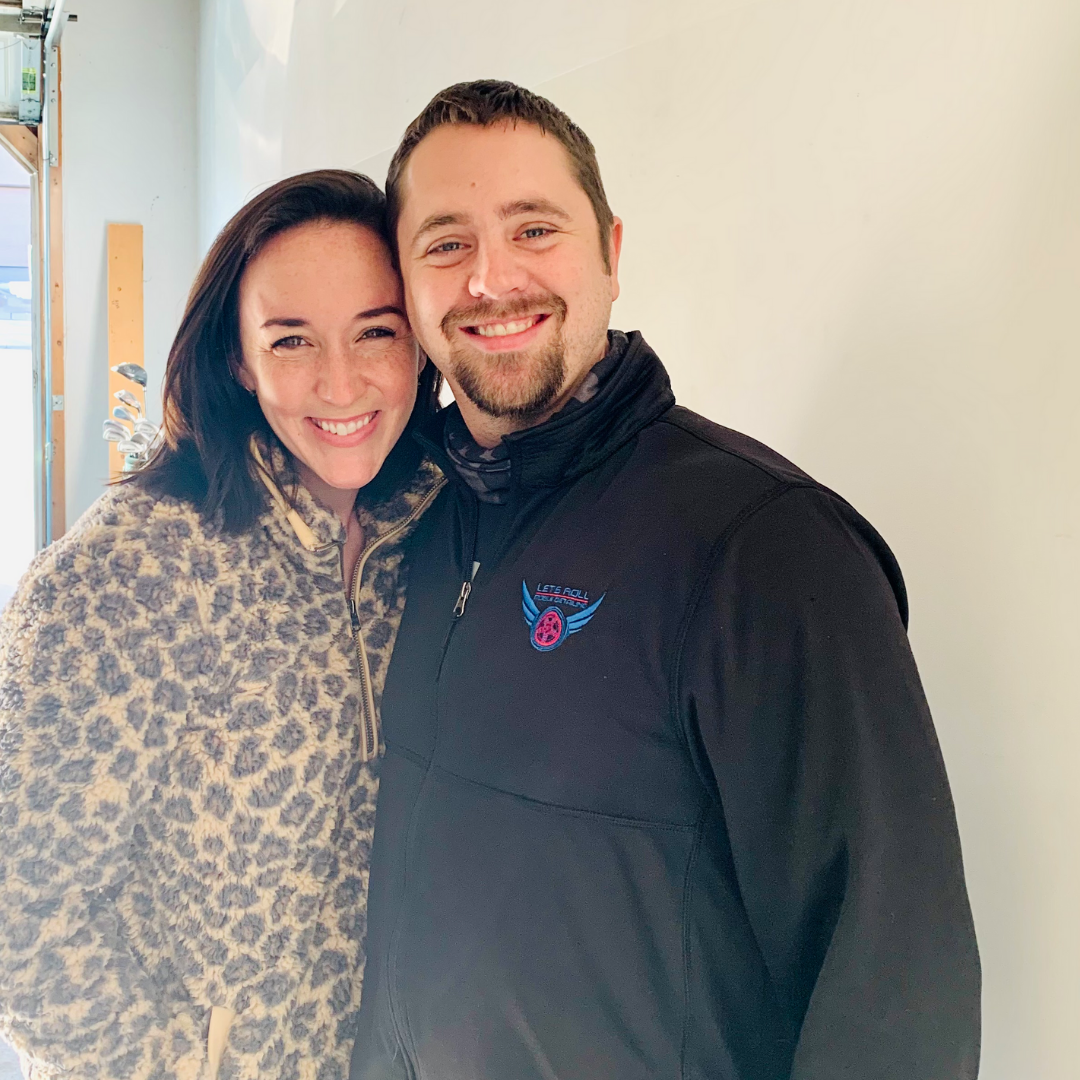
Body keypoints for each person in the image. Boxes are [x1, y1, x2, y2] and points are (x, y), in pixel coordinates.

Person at [350, 81, 981, 1080]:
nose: (490, 279)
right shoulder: (403, 526)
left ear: (610, 251)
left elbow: (895, 994)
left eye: (534, 229)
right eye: (445, 244)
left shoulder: (764, 547)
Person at [0, 170, 444, 1080]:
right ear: (237, 358)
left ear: (422, 347)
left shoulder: (435, 539)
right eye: (291, 341)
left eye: (376, 332)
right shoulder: (126, 576)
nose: (340, 380)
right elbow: (19, 919)